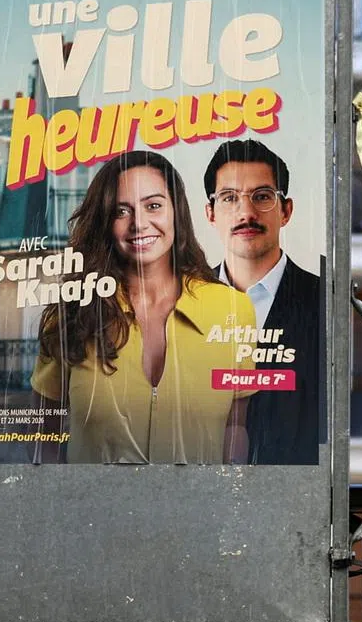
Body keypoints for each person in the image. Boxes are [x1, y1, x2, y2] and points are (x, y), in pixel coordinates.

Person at [31, 151, 257, 464]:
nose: (139, 223)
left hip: (201, 510)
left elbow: (236, 424)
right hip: (90, 512)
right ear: (105, 222)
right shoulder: (71, 312)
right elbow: (44, 437)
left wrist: (229, 495)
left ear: (176, 212)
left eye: (154, 205)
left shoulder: (233, 309)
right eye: (121, 211)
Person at [204, 139, 322, 465]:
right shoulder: (181, 304)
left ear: (286, 211)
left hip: (292, 497)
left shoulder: (325, 302)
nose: (247, 213)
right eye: (229, 198)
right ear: (210, 213)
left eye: (262, 197)